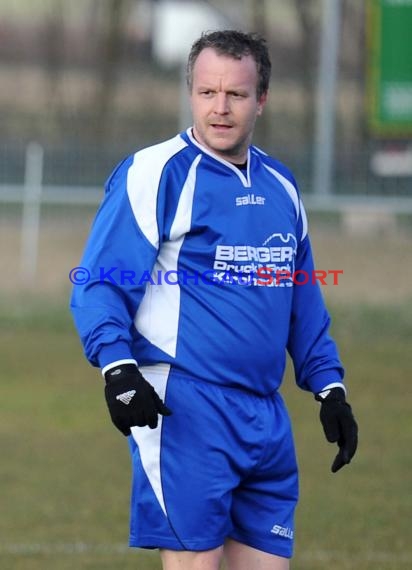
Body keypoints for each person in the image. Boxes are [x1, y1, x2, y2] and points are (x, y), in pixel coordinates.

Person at [71, 30, 358, 570]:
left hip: (265, 417)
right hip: (184, 408)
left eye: (236, 95)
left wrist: (330, 388)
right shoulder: (156, 173)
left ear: (262, 100)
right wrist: (117, 368)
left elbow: (302, 300)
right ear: (190, 93)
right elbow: (99, 281)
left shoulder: (282, 186)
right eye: (207, 93)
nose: (220, 108)